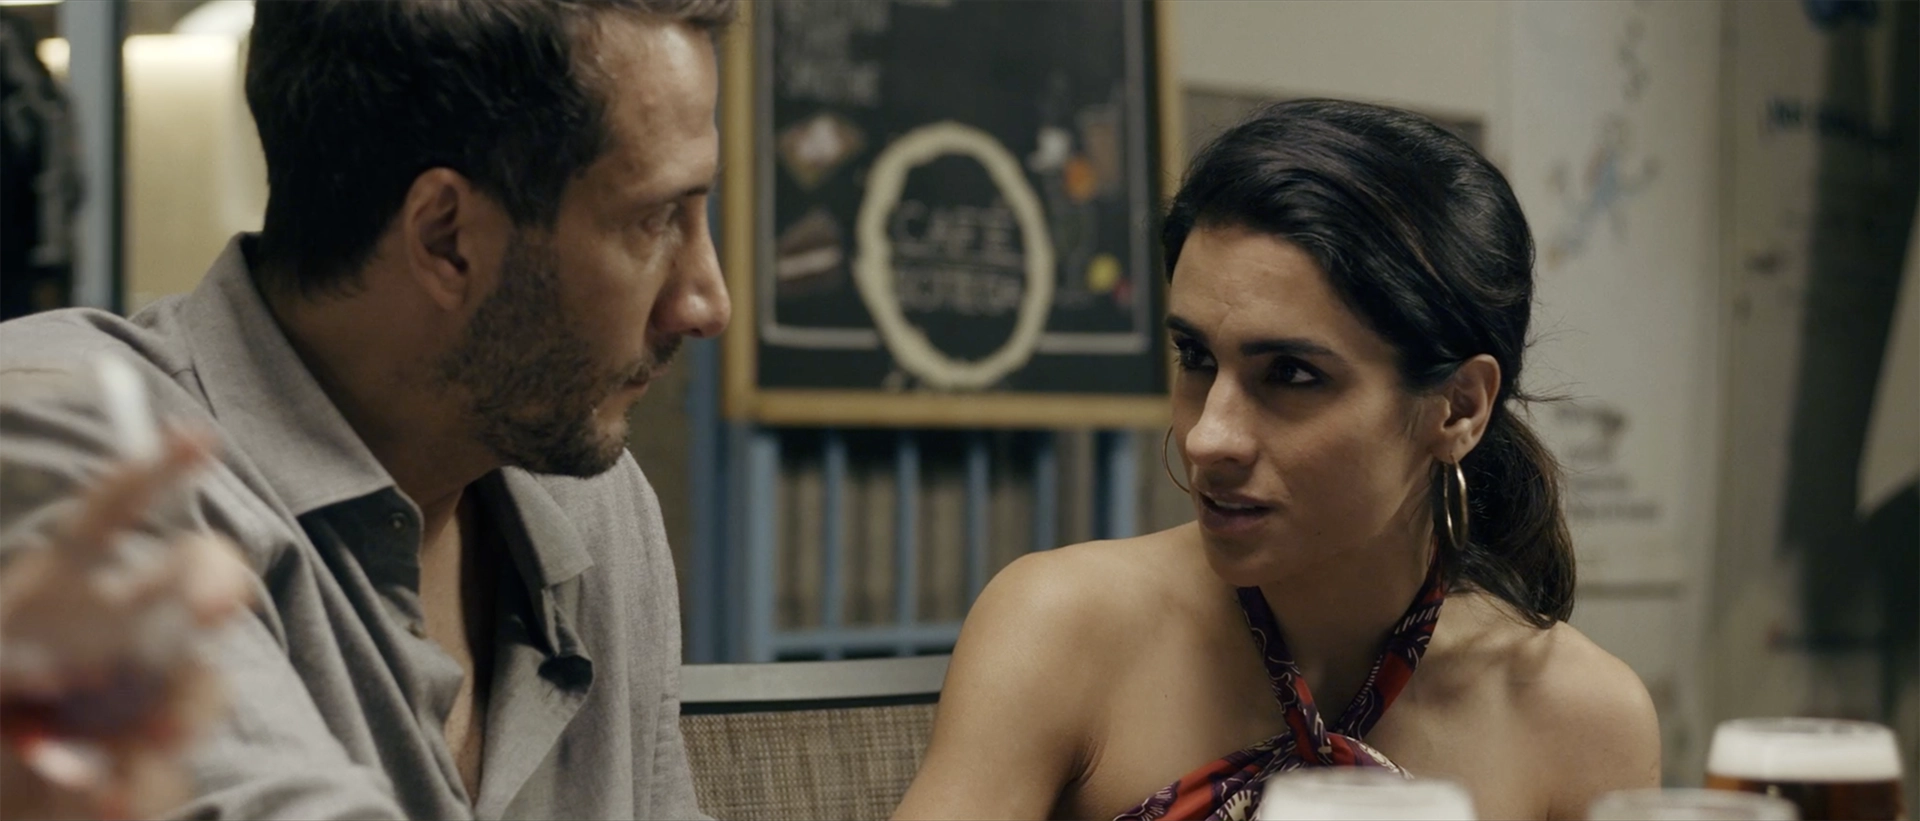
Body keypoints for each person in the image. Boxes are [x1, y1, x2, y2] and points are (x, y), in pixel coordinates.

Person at [0, 0, 733, 818]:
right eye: (655, 220)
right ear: (446, 238)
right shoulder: (61, 437)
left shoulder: (591, 502)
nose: (706, 302)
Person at [894, 100, 1661, 821]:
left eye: (1290, 374)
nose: (1208, 436)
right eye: (1196, 357)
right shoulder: (1062, 627)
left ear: (1458, 408)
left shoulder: (1579, 715)